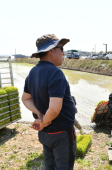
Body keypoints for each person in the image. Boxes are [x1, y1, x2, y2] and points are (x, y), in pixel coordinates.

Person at [22, 34, 76, 170]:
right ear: (51, 51)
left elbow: (26, 99)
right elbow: (54, 109)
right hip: (61, 133)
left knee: (49, 164)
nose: (63, 53)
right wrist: (44, 120)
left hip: (46, 134)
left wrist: (39, 113)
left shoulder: (33, 72)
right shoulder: (55, 73)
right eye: (61, 48)